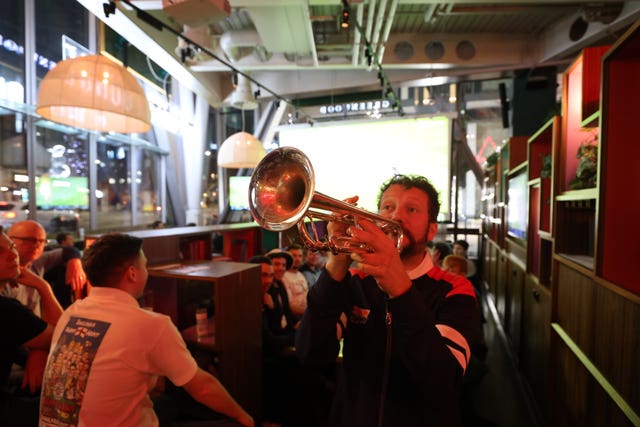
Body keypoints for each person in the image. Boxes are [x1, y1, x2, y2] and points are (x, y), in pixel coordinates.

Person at [296, 174, 479, 427]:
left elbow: (443, 382)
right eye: (387, 207)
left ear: (432, 229)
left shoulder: (456, 289)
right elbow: (311, 353)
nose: (395, 217)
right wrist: (336, 265)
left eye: (411, 209)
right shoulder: (355, 281)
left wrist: (400, 287)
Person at [39, 233, 253, 427]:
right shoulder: (151, 324)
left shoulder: (71, 313)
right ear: (132, 273)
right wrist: (244, 416)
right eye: (145, 265)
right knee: (234, 422)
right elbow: (202, 387)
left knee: (169, 403)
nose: (146, 271)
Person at [0, 232, 63, 427]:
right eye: (0, 252)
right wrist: (43, 287)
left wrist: (37, 349)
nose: (13, 256)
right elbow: (64, 339)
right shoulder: (5, 310)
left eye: (12, 248)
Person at [2, 221, 86, 315]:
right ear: (9, 240)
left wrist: (75, 262)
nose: (37, 245)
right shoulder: (5, 276)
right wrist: (44, 287)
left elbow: (69, 250)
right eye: (30, 240)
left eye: (42, 241)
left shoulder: (38, 262)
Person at [281, 244, 309, 318]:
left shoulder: (301, 275)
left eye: (300, 256)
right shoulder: (284, 276)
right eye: (294, 255)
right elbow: (290, 306)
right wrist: (312, 312)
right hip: (293, 319)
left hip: (305, 316)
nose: (297, 259)